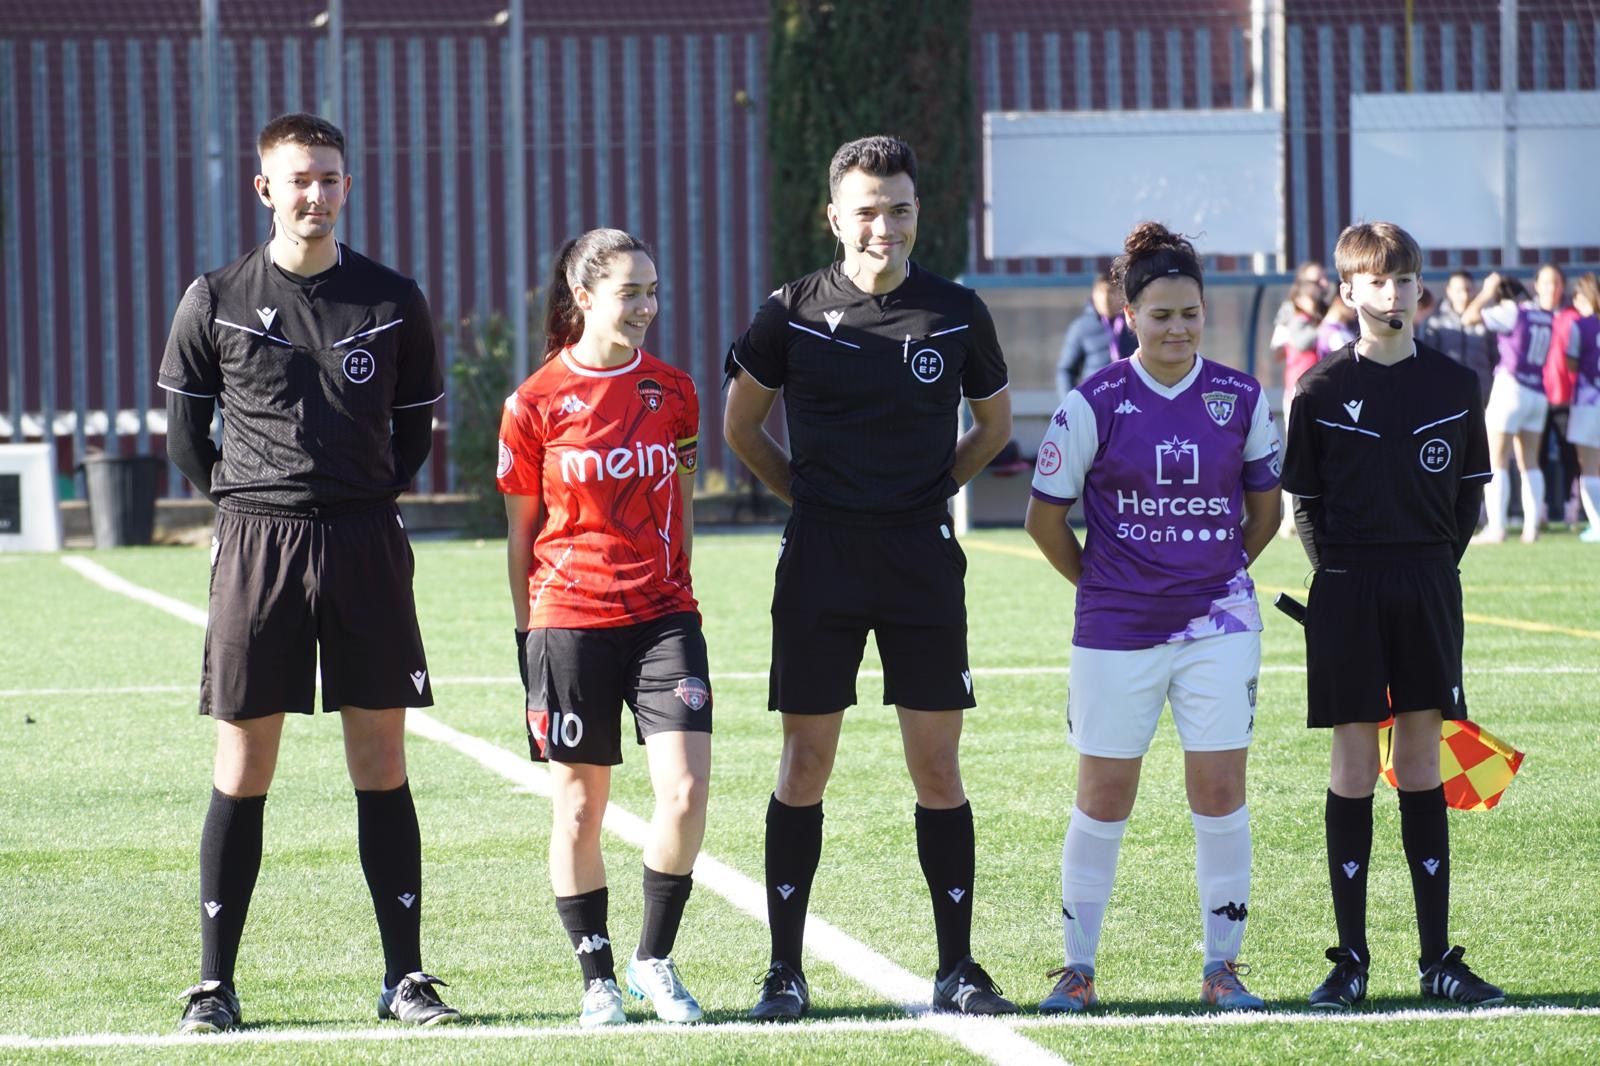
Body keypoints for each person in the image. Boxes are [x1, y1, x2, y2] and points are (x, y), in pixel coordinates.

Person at [158, 112, 456, 1033]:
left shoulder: (393, 298)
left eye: (329, 178)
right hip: (258, 545)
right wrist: (249, 506)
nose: (314, 194)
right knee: (244, 765)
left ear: (348, 186)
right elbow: (183, 438)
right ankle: (214, 986)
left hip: (366, 540)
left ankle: (403, 980)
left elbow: (413, 433)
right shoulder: (214, 297)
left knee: (382, 760)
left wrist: (357, 496)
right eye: (298, 179)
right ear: (265, 189)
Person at [723, 134, 1016, 1020]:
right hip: (823, 556)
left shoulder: (957, 311)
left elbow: (994, 427)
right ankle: (784, 971)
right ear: (833, 217)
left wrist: (931, 492)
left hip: (920, 557)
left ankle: (958, 967)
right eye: (866, 210)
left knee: (937, 766)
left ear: (917, 211)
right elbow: (743, 429)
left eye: (898, 208)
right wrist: (807, 498)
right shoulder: (792, 312)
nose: (883, 225)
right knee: (805, 760)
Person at [1025, 222, 1282, 1014]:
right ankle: (1077, 970)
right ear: (1129, 314)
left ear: (1207, 314)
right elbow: (1045, 520)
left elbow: (1264, 513)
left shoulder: (1241, 396)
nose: (1177, 328)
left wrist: (1215, 577)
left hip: (1218, 626)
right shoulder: (1094, 400)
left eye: (1191, 314)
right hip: (1115, 630)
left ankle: (1223, 969)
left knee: (1220, 789)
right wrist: (1102, 583)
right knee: (1103, 793)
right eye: (1161, 314)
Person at [1281, 221, 1503, 1010]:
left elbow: (1470, 500)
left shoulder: (1453, 383)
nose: (1393, 292)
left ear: (1418, 288)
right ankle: (1351, 961)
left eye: (1404, 279)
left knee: (1419, 763)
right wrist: (1336, 579)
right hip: (1347, 586)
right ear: (1348, 292)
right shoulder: (1319, 390)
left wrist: (1434, 571)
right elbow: (1304, 502)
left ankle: (1437, 957)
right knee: (1351, 766)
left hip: (1427, 583)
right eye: (1377, 280)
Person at [498, 229, 712, 1027]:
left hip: (664, 616)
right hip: (569, 622)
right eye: (631, 292)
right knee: (580, 811)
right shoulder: (534, 403)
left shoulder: (676, 391)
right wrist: (529, 643)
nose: (648, 307)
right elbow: (521, 535)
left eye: (654, 291)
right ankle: (597, 978)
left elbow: (682, 500)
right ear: (584, 297)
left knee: (686, 794)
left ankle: (653, 960)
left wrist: (683, 586)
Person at [1463, 273, 1555, 542]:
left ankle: (1498, 527)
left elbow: (1469, 317)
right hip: (1537, 391)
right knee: (1530, 462)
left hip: (1511, 387)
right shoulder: (1542, 314)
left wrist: (1486, 291)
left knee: (1497, 458)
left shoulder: (1510, 310)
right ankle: (1531, 528)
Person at [1535, 264, 1581, 526]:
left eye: (1556, 283)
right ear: (1537, 285)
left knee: (1569, 455)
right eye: (1546, 282)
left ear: (1563, 286)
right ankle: (1538, 509)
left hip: (1566, 398)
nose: (1551, 288)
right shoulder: (1526, 315)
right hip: (1536, 397)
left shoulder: (1572, 317)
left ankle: (1570, 509)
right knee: (1536, 455)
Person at [1056, 273, 1135, 401]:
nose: (1106, 298)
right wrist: (1069, 403)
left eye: (1111, 292)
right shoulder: (1081, 326)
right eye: (1101, 292)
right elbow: (1066, 370)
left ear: (1122, 295)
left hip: (1132, 400)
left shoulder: (1135, 323)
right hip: (1096, 401)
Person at [1565, 273, 1600, 541]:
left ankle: (1597, 525)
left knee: (1588, 466)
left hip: (1589, 401)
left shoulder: (1581, 325)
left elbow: (1572, 363)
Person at [1425, 270, 1494, 402]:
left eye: (1468, 289)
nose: (1464, 295)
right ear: (1448, 291)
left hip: (1481, 393)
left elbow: (1494, 357)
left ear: (1475, 290)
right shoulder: (1436, 322)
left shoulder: (1485, 320)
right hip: (1448, 392)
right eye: (1458, 291)